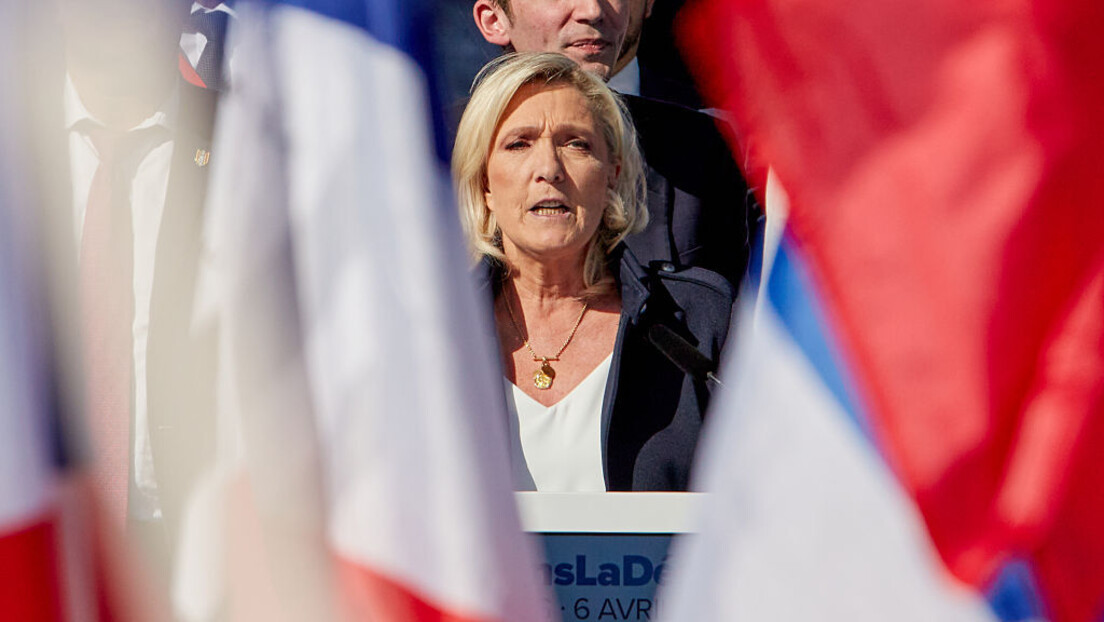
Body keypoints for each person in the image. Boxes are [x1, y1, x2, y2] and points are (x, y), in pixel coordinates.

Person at [453, 52, 734, 491]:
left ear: (612, 177)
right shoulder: (435, 331)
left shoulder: (698, 322)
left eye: (576, 144)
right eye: (519, 144)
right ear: (485, 182)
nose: (549, 170)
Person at [471, 0, 749, 288]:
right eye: (518, 145)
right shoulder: (443, 156)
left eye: (578, 145)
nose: (592, 11)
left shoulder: (709, 145)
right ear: (494, 19)